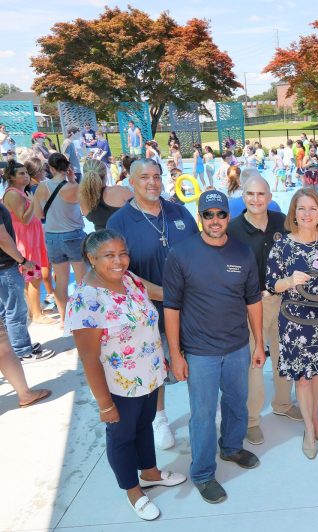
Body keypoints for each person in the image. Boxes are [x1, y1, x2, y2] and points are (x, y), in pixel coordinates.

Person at [66, 230, 186, 521]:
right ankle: (133, 490)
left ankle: (150, 472)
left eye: (123, 253)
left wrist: (198, 288)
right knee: (121, 436)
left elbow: (157, 292)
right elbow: (89, 357)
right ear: (91, 259)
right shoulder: (86, 300)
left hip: (149, 375)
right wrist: (105, 404)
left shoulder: (128, 279)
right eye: (109, 255)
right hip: (119, 385)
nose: (119, 260)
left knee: (144, 426)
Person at [164, 190, 265, 504]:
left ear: (227, 216)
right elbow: (171, 308)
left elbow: (253, 301)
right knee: (203, 415)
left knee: (238, 402)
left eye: (221, 214)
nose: (216, 220)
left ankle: (232, 447)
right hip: (200, 352)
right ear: (200, 217)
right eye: (208, 215)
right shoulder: (181, 254)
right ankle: (203, 473)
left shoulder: (242, 253)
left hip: (237, 346)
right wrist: (176, 354)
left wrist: (259, 342)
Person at [107, 158, 199, 451]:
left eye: (157, 176)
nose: (152, 182)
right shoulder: (119, 222)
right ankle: (159, 418)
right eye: (144, 177)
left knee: (198, 360)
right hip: (148, 312)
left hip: (190, 307)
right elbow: (118, 271)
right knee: (156, 365)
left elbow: (199, 250)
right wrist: (163, 293)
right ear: (131, 182)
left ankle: (204, 407)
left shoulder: (178, 211)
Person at [266, 188, 318, 459]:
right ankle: (310, 431)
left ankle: (315, 418)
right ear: (294, 213)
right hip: (294, 324)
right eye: (302, 209)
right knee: (302, 380)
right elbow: (272, 283)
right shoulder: (283, 245)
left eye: (313, 208)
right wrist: (290, 281)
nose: (307, 214)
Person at [228, 172, 302, 446]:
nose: (256, 199)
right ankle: (252, 420)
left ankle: (283, 403)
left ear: (270, 197)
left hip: (283, 301)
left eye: (261, 194)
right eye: (250, 194)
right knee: (254, 362)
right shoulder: (233, 229)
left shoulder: (282, 223)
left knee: (284, 356)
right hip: (252, 305)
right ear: (243, 196)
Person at [32, 153, 86, 326]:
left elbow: (38, 214)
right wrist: (73, 181)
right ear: (67, 168)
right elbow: (85, 209)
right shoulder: (73, 187)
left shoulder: (42, 186)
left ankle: (64, 318)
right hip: (73, 234)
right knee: (81, 279)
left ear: (51, 168)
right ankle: (83, 315)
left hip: (52, 236)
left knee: (61, 280)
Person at [2, 161, 55, 325]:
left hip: (32, 239)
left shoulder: (21, 192)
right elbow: (23, 219)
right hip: (25, 241)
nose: (26, 176)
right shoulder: (13, 194)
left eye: (26, 173)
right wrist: (33, 202)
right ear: (12, 177)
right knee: (33, 277)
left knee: (32, 277)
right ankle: (37, 315)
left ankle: (35, 309)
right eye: (21, 174)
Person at [79, 159, 134, 231]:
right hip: (125, 238)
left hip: (102, 239)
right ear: (105, 174)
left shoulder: (83, 199)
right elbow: (143, 209)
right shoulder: (118, 191)